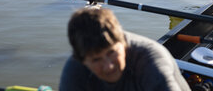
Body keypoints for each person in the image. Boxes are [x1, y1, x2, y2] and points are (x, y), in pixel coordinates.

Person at [59, 7, 191, 91]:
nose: (109, 66)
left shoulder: (150, 61)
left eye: (111, 52)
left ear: (123, 42)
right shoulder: (74, 70)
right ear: (82, 60)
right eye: (96, 59)